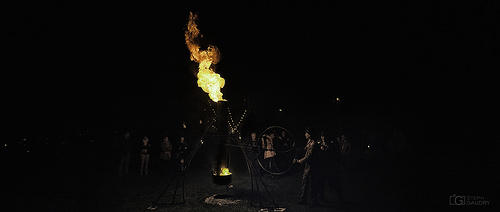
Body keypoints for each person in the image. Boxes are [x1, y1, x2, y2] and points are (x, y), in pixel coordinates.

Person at [294, 127, 320, 207]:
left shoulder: (314, 143)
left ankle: (314, 201)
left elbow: (309, 156)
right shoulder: (309, 142)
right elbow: (305, 150)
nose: (305, 134)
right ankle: (303, 199)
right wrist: (298, 149)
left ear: (310, 134)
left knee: (312, 183)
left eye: (306, 133)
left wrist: (298, 161)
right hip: (307, 166)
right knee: (305, 182)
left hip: (312, 166)